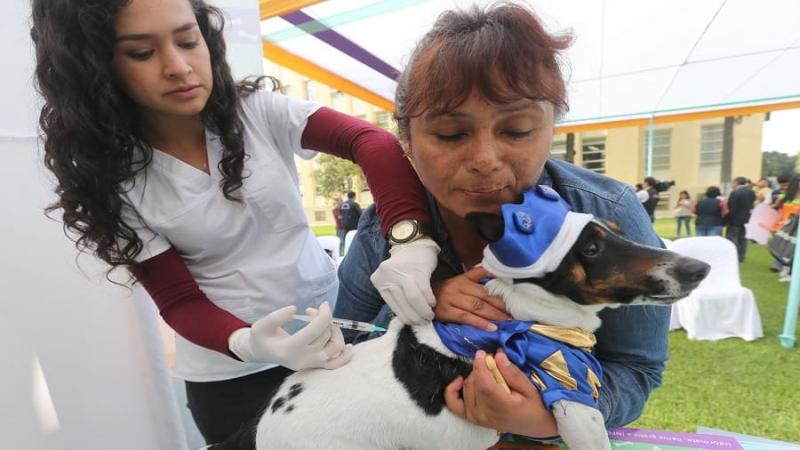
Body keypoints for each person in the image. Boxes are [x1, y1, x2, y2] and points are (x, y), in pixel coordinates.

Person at [30, 0, 440, 444]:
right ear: (95, 67)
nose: (178, 66)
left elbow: (370, 141)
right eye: (142, 53)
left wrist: (410, 240)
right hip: (230, 377)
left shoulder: (256, 113)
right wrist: (250, 343)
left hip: (337, 344)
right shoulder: (116, 178)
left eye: (189, 41)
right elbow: (179, 300)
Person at [335, 4, 669, 440]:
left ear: (553, 128)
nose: (484, 160)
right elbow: (344, 348)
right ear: (407, 140)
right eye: (451, 134)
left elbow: (636, 367)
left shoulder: (606, 214)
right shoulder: (385, 228)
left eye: (517, 130)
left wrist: (553, 418)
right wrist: (421, 309)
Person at [725, 176, 756, 262]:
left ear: (736, 182)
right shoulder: (751, 192)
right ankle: (741, 257)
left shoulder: (735, 192)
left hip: (735, 218)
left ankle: (731, 256)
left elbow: (731, 206)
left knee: (732, 238)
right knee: (743, 238)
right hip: (747, 218)